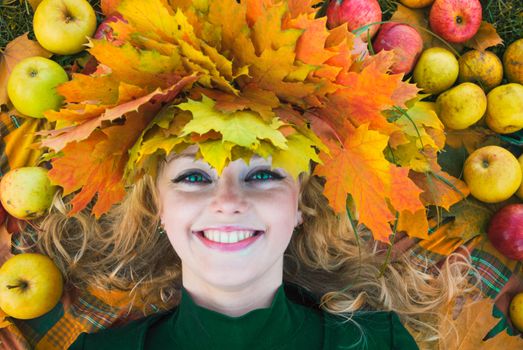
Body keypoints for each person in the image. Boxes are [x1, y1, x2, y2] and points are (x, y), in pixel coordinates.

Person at [14, 0, 480, 349]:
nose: (228, 200)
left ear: (300, 202)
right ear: (156, 205)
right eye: (194, 177)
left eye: (261, 175)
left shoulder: (380, 344)